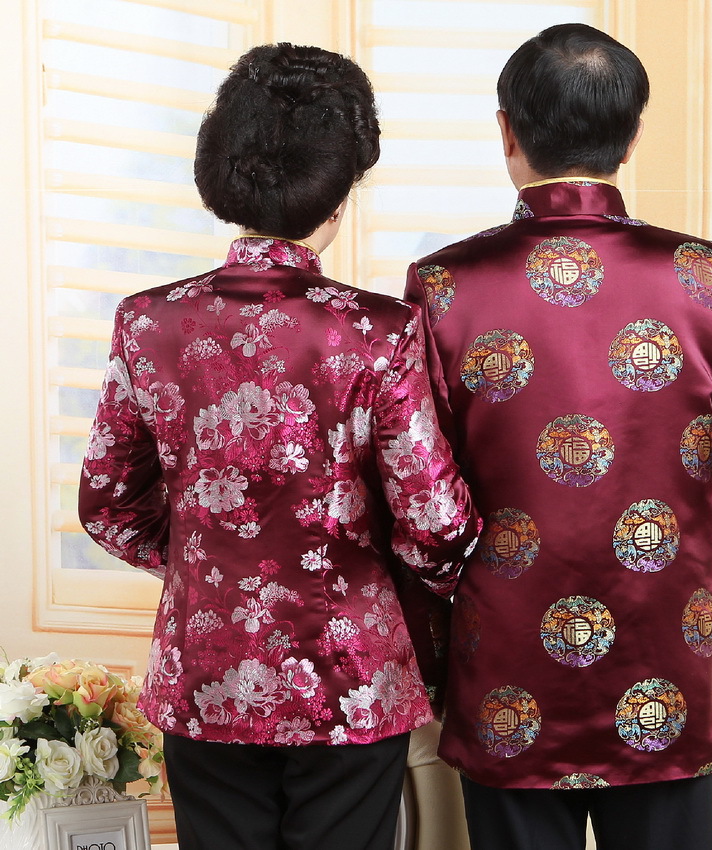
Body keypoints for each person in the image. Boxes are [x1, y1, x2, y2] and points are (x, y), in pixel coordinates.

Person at [404, 23, 712, 850]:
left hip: (505, 663)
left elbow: (420, 490)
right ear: (633, 134)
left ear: (507, 131)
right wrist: (671, 541)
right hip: (665, 658)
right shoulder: (699, 273)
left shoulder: (444, 286)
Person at [79, 42, 479, 850]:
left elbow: (108, 507)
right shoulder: (381, 331)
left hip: (203, 671)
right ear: (340, 191)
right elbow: (436, 525)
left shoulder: (146, 321)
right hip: (350, 679)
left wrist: (208, 559)